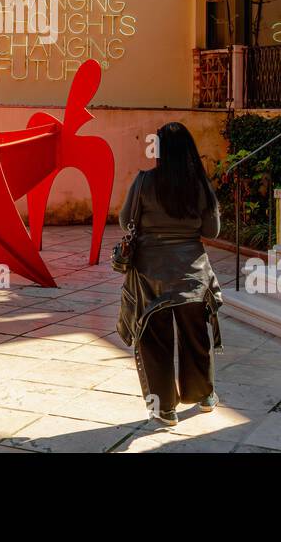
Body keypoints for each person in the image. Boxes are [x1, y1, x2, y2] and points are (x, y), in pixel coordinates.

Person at [116, 122, 224, 427]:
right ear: (189, 149)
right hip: (192, 273)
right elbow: (211, 231)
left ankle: (164, 409)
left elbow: (126, 222)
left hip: (151, 275)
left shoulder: (143, 181)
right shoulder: (200, 184)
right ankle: (203, 396)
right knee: (195, 335)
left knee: (155, 338)